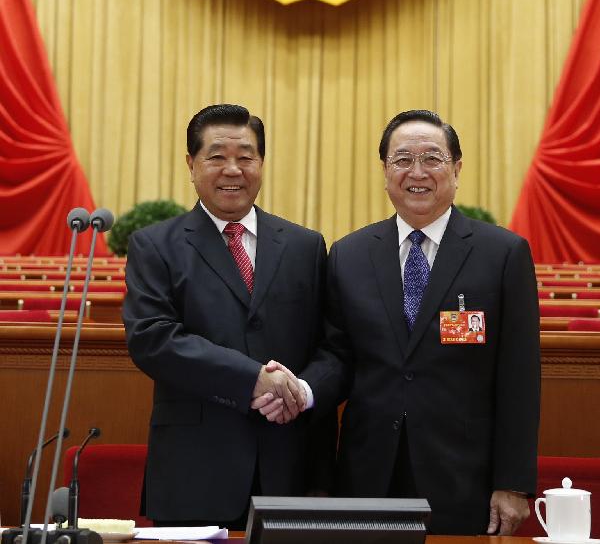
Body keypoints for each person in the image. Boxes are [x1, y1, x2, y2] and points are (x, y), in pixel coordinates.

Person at [261, 108, 541, 535]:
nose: (418, 171)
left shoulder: (502, 254)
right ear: (385, 170)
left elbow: (519, 378)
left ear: (457, 168)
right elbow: (338, 356)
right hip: (368, 473)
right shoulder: (350, 254)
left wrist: (513, 484)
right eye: (403, 159)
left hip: (464, 477)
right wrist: (303, 389)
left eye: (432, 158)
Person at [123, 103, 334, 528]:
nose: (232, 169)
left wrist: (303, 392)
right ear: (191, 163)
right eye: (217, 156)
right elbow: (154, 340)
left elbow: (332, 346)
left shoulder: (305, 246)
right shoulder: (154, 246)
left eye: (246, 156)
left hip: (289, 470)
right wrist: (253, 378)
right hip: (195, 473)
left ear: (261, 163)